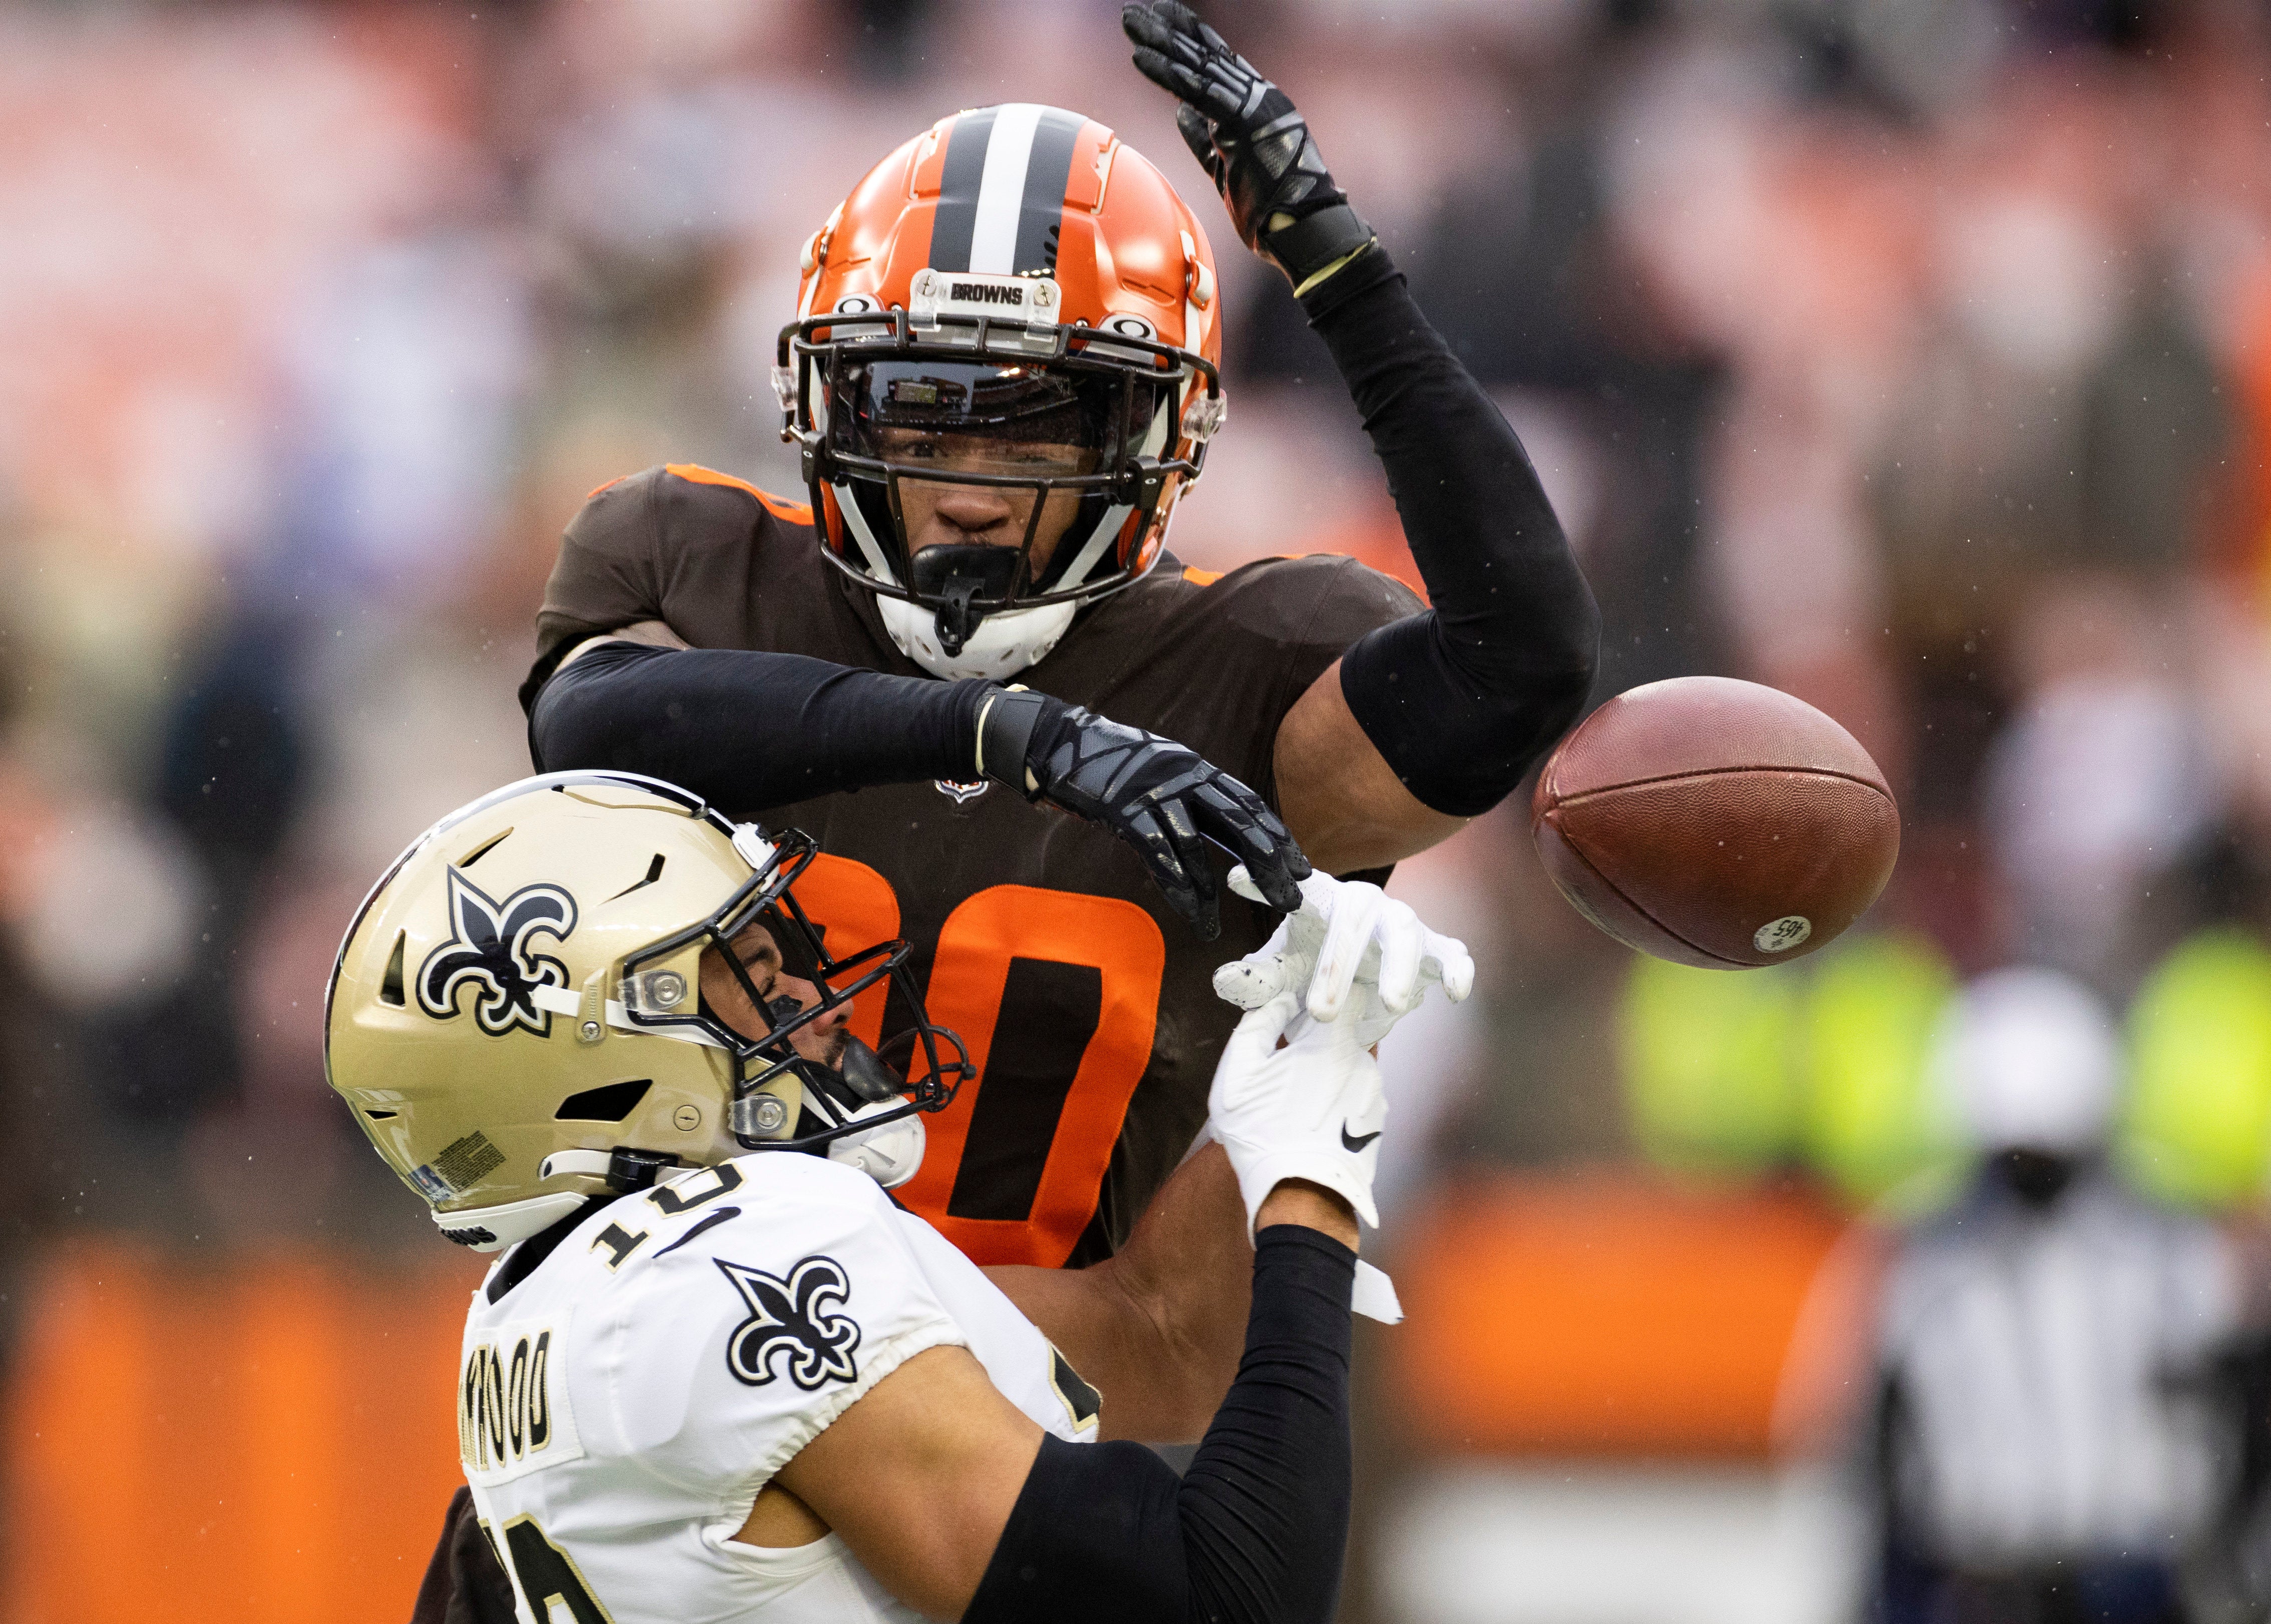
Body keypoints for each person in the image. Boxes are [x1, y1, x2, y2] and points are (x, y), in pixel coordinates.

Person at [521, 2, 1595, 1272]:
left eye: (1040, 424)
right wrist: (1007, 730)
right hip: (685, 1385)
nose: (973, 485)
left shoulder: (1246, 661)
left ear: (1153, 440)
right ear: (827, 398)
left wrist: (1343, 275)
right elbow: (590, 733)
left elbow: (1518, 662)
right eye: (921, 410)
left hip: (1065, 1404)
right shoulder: (688, 557)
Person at [329, 771, 1460, 1623]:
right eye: (753, 978)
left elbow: (1158, 1337)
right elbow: (1230, 1599)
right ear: (592, 1063)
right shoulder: (745, 1254)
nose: (818, 1002)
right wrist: (1313, 1189)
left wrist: (1285, 1093)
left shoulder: (549, 1306)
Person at [1869, 968, 2239, 1624]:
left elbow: (2231, 1426)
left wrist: (2233, 1579)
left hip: (2138, 1588)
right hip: (1979, 1589)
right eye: (2014, 1161)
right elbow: (1868, 1455)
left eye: (2047, 1163)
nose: (2030, 1185)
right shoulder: (1919, 1261)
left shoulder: (2170, 1252)